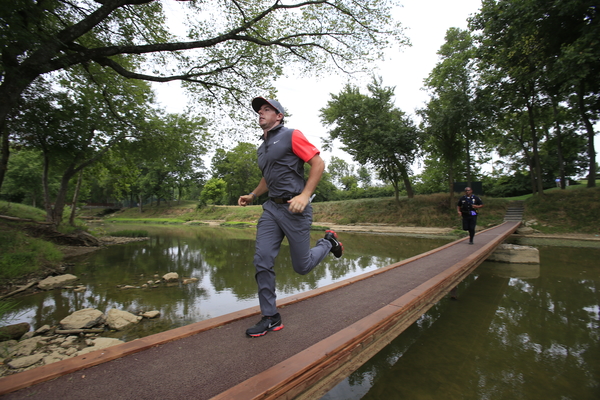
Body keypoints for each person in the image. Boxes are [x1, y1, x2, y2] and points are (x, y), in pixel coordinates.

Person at [238, 97, 344, 338]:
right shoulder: (261, 148)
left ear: (279, 116)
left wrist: (305, 195)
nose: (261, 113)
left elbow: (318, 163)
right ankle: (270, 317)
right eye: (259, 110)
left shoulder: (292, 135)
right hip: (271, 210)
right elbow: (268, 176)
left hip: (294, 209)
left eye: (267, 110)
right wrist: (253, 194)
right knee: (262, 259)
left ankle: (328, 242)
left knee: (302, 266)